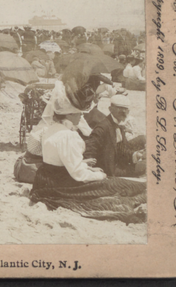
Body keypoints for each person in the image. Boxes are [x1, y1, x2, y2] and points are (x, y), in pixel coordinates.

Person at [29, 95, 146, 223]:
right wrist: (101, 175)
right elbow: (79, 175)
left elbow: (63, 162)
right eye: (79, 113)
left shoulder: (50, 129)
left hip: (46, 179)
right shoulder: (68, 136)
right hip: (62, 183)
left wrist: (87, 167)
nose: (81, 116)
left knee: (121, 186)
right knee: (119, 187)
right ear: (69, 115)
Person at [83, 95, 146, 178]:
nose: (123, 111)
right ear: (110, 109)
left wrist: (137, 155)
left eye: (126, 109)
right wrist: (91, 170)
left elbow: (120, 149)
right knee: (147, 165)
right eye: (119, 108)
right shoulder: (102, 128)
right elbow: (90, 150)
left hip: (117, 162)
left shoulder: (118, 123)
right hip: (109, 169)